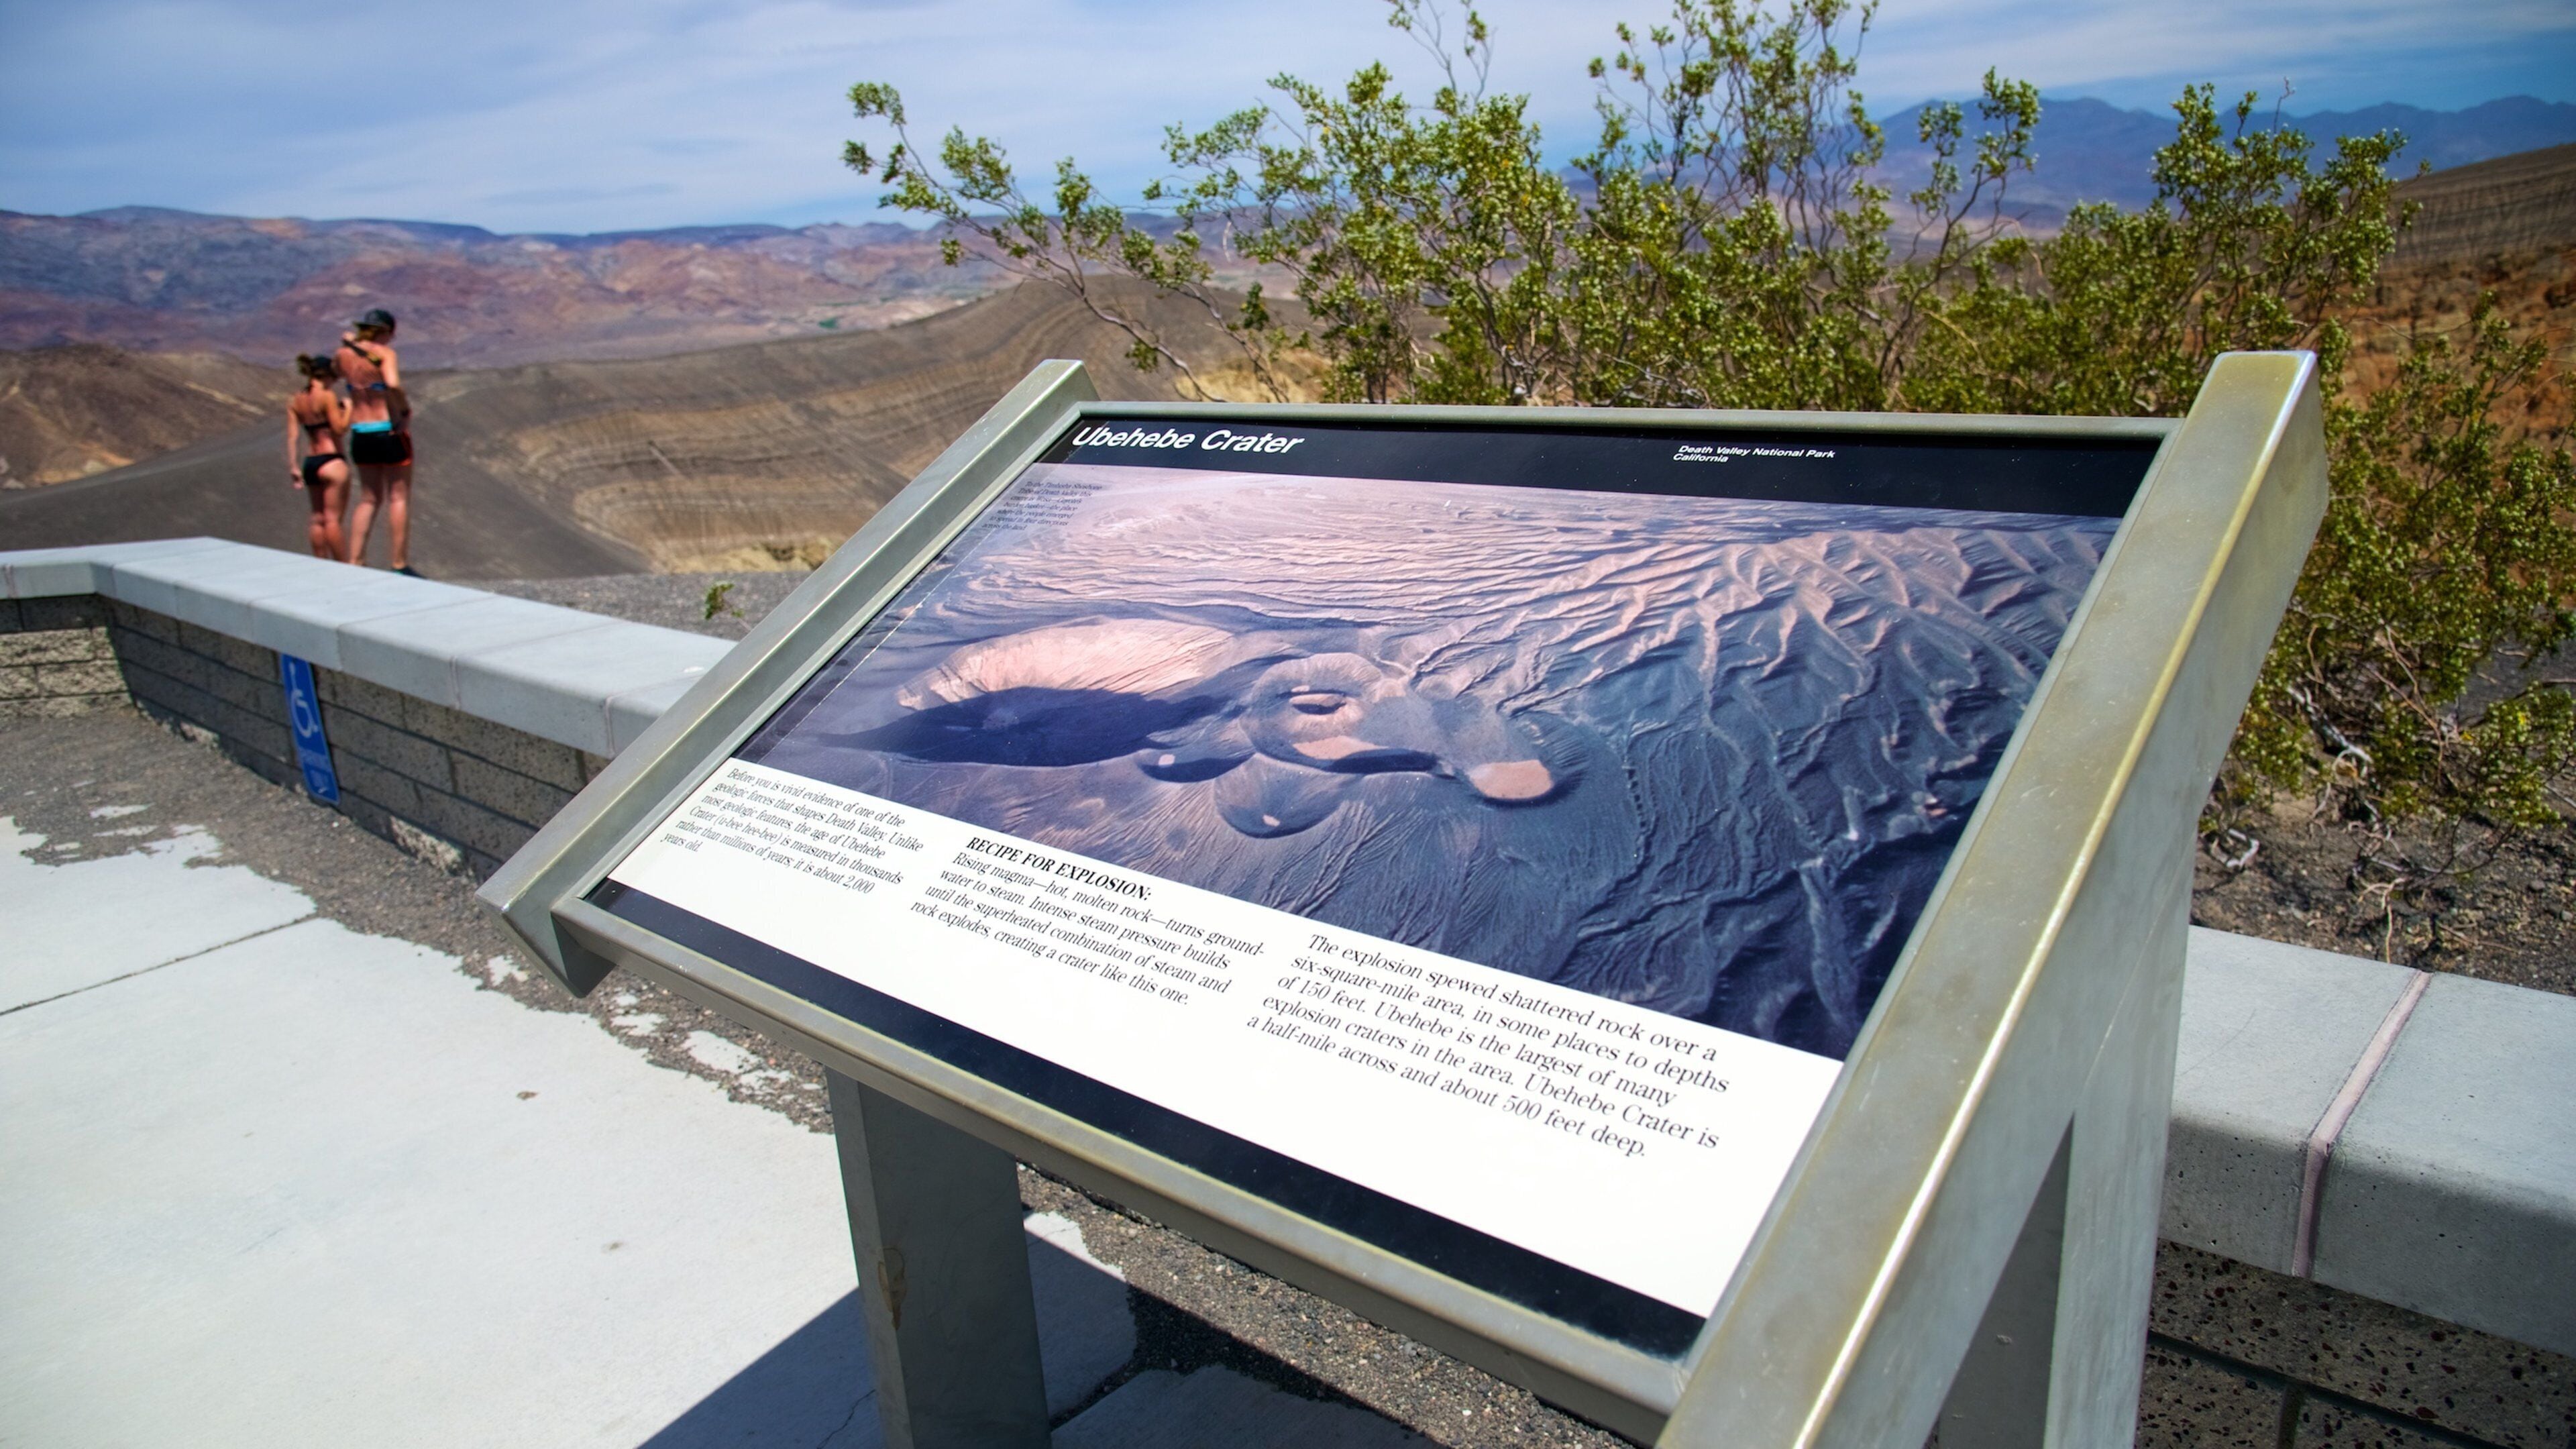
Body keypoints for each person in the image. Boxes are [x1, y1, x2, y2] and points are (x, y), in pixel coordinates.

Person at [336, 308, 418, 574]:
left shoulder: (343, 355)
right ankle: (398, 563)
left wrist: (349, 345)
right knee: (398, 497)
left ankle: (355, 560)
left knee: (368, 498)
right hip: (388, 429)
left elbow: (338, 371)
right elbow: (393, 384)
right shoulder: (385, 355)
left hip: (360, 431)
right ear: (386, 332)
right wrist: (404, 411)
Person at [285, 353, 352, 560]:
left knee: (317, 519)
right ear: (327, 376)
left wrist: (294, 466)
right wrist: (348, 410)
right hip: (331, 460)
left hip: (311, 462)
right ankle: (344, 567)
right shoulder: (327, 396)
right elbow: (339, 429)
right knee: (333, 520)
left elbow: (293, 436)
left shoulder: (296, 400)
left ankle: (320, 564)